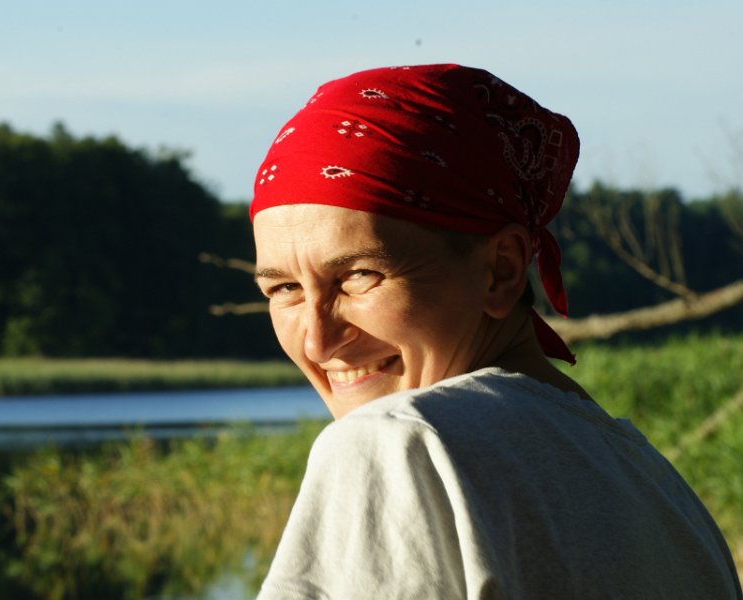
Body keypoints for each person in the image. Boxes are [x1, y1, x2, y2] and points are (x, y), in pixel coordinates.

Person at [248, 64, 742, 599]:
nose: (317, 341)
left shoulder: (400, 442)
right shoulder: (654, 485)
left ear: (501, 270)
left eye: (359, 276)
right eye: (284, 289)